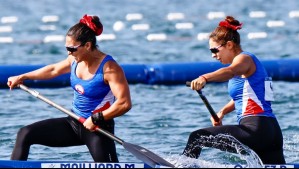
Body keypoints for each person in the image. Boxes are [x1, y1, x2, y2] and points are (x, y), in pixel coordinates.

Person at [7, 14, 132, 162]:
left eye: (72, 49)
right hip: (74, 122)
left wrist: (97, 118)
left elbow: (124, 103)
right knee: (25, 133)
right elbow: (53, 70)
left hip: (98, 128)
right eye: (67, 48)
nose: (68, 53)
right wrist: (22, 77)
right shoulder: (74, 59)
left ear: (87, 45)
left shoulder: (109, 68)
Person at [182, 16, 286, 164]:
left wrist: (204, 78)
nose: (213, 55)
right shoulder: (250, 65)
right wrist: (222, 112)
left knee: (197, 137)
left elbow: (230, 71)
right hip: (272, 132)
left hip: (255, 129)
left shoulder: (244, 59)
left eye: (214, 50)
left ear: (229, 45)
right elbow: (243, 97)